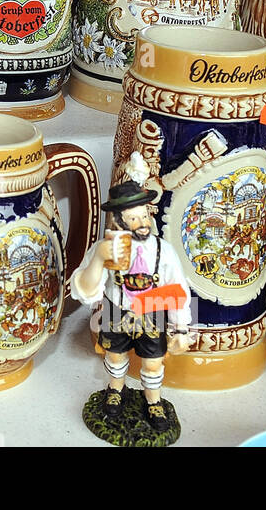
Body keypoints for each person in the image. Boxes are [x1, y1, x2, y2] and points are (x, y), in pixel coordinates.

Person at [70, 152, 196, 432]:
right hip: (117, 311)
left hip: (152, 313)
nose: (142, 223)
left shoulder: (164, 251)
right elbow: (84, 292)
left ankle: (153, 400)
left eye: (144, 215)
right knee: (115, 356)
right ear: (118, 221)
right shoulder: (106, 248)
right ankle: (115, 389)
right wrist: (100, 259)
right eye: (133, 218)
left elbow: (178, 290)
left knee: (152, 363)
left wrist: (182, 328)